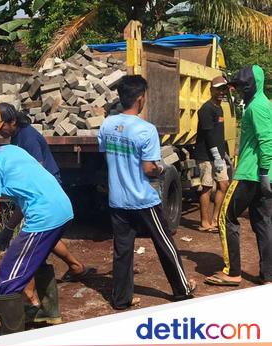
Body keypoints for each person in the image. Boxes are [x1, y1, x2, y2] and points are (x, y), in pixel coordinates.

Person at [0, 130, 74, 334]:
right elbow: (26, 191)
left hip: (44, 217)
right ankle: (48, 311)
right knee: (37, 259)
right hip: (63, 208)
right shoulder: (10, 150)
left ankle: (11, 338)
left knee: (8, 278)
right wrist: (9, 228)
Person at [98, 75, 196, 310]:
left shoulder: (107, 125)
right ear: (141, 99)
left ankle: (121, 300)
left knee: (122, 250)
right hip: (142, 199)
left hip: (118, 199)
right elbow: (150, 168)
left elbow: (106, 155)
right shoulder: (146, 130)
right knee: (165, 243)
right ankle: (181, 289)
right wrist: (161, 167)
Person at [0, 102, 91, 314]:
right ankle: (73, 269)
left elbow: (34, 177)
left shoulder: (28, 138)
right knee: (41, 243)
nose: (0, 133)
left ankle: (31, 302)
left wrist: (8, 226)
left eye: (1, 127)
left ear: (12, 121)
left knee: (28, 249)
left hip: (44, 195)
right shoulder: (16, 137)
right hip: (40, 196)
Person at [205, 65, 272, 286]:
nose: (241, 91)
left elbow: (266, 141)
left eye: (244, 86)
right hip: (261, 174)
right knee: (263, 223)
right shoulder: (260, 104)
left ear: (253, 84)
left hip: (250, 174)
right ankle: (268, 275)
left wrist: (263, 173)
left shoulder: (257, 107)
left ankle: (232, 271)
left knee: (225, 217)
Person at [194, 76, 230, 233]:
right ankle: (204, 222)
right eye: (219, 88)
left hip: (218, 155)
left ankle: (215, 219)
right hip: (206, 155)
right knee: (207, 187)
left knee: (223, 185)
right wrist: (216, 156)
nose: (222, 92)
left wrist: (223, 155)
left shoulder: (219, 108)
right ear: (211, 89)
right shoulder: (206, 109)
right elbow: (208, 136)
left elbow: (217, 135)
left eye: (224, 89)